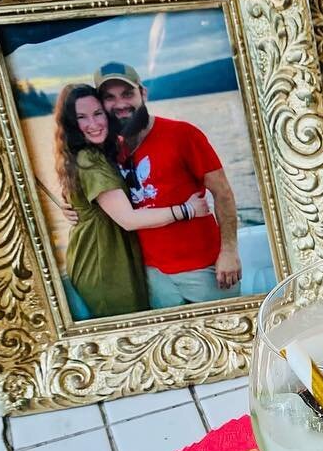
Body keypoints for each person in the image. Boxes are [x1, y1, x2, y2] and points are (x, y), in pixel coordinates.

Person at [52, 83, 210, 320]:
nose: (93, 124)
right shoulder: (90, 160)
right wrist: (187, 210)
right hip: (104, 265)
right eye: (81, 117)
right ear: (72, 124)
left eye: (98, 114)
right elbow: (127, 219)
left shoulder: (105, 150)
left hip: (116, 256)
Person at [93, 62, 242, 308]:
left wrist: (229, 251)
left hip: (205, 270)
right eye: (109, 97)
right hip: (153, 276)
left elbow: (222, 192)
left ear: (143, 93)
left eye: (127, 93)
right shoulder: (109, 151)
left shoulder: (183, 135)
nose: (120, 104)